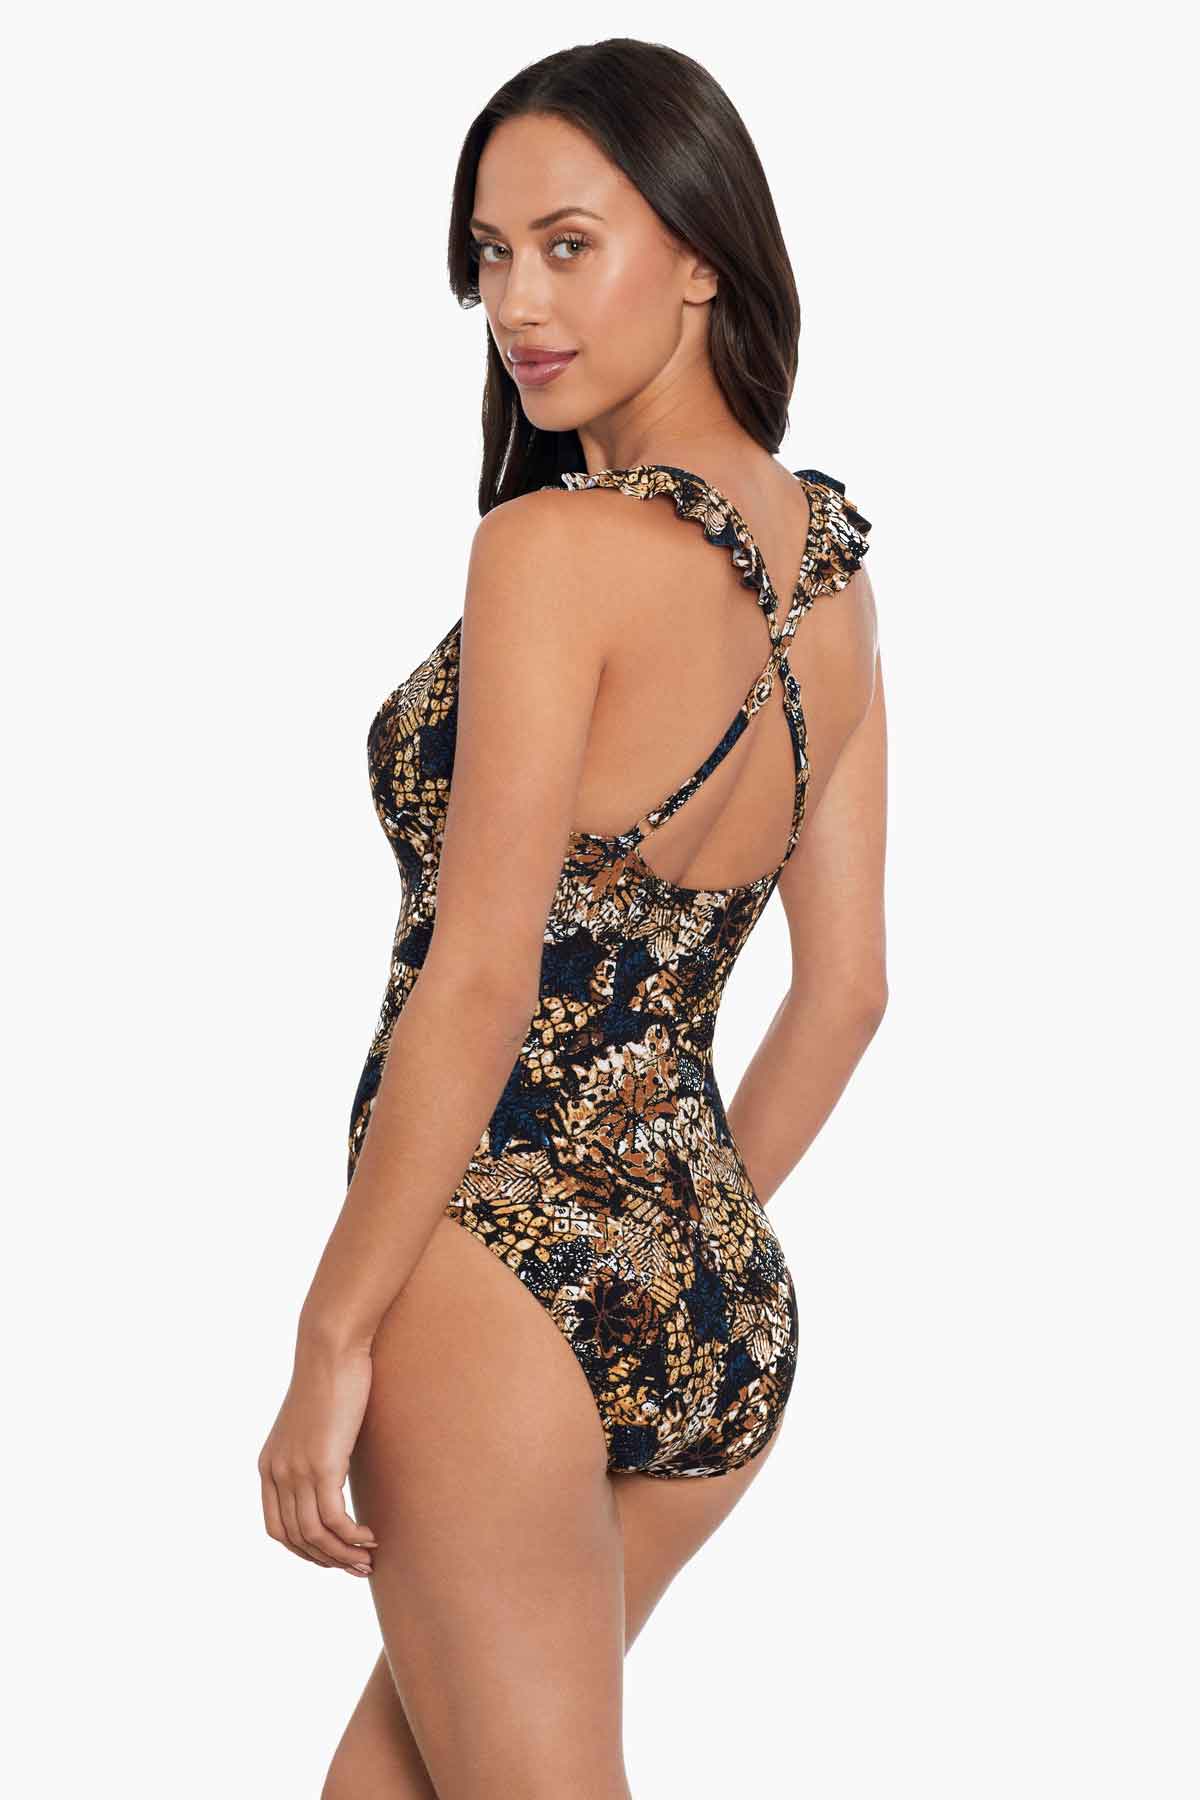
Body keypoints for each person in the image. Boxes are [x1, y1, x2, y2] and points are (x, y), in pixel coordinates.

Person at [259, 37, 888, 1800]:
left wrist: (331, 1336)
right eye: (489, 256)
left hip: (489, 1265)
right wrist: (663, 1228)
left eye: (566, 245)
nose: (516, 305)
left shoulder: (551, 551)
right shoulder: (825, 570)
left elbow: (479, 985)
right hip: (710, 1288)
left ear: (701, 254)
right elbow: (849, 991)